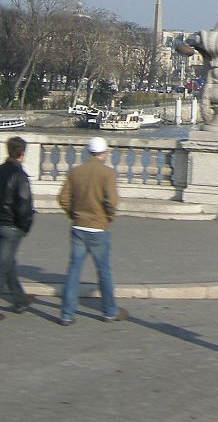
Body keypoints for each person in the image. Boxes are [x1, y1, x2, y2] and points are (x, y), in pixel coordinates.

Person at [57, 136, 127, 325]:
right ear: (104, 153)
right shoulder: (107, 173)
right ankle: (109, 311)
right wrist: (108, 218)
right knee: (103, 271)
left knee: (74, 270)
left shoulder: (76, 172)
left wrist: (73, 214)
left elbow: (62, 198)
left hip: (79, 226)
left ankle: (67, 313)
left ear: (89, 152)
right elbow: (111, 201)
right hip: (98, 228)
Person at [0, 136, 35, 322]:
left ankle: (20, 300)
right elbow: (24, 206)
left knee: (7, 263)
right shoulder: (20, 176)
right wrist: (24, 227)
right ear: (22, 153)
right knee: (2, 267)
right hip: (11, 227)